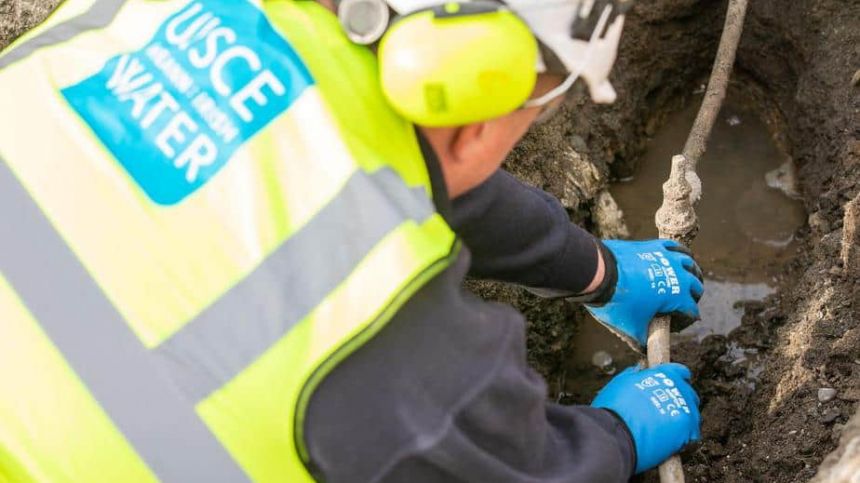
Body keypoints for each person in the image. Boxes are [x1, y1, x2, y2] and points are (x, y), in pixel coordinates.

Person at [0, 0, 704, 481]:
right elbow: (515, 470)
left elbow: (387, 170)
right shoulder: (378, 327)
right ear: (484, 122)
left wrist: (594, 269)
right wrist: (612, 435)